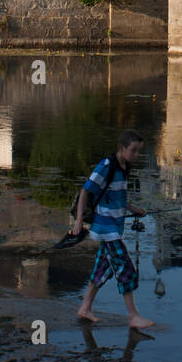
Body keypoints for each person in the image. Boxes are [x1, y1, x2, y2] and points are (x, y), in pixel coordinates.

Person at [72, 129, 153, 329]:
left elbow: (118, 198)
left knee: (102, 268)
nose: (136, 155)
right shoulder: (106, 166)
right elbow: (85, 191)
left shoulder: (123, 168)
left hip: (114, 228)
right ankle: (133, 316)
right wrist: (78, 221)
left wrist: (135, 210)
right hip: (105, 229)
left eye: (138, 151)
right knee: (126, 269)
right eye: (133, 151)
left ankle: (85, 308)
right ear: (121, 147)